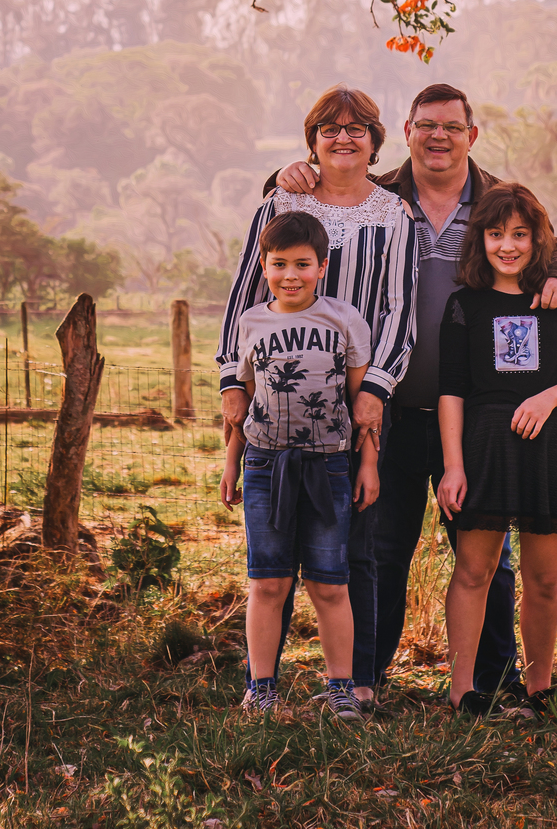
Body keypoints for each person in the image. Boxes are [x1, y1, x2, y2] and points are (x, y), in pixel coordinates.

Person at [270, 82, 557, 704]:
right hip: (383, 404)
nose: (438, 136)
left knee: (487, 556)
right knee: (381, 545)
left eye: (451, 126)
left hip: (474, 414)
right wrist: (280, 177)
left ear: (472, 136)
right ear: (406, 132)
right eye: (425, 125)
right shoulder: (377, 196)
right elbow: (297, 224)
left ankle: (491, 680)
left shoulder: (499, 202)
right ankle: (367, 675)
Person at [217, 85, 416, 705]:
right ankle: (264, 685)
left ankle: (354, 683)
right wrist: (231, 382)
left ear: (376, 142)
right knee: (270, 566)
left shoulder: (394, 214)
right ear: (312, 140)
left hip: (356, 396)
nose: (343, 137)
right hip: (274, 409)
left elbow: (398, 309)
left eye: (357, 128)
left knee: (354, 550)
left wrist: (376, 391)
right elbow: (246, 290)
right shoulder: (283, 198)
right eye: (330, 128)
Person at [436, 183, 557, 716]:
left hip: (550, 446)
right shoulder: (464, 304)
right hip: (485, 448)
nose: (507, 245)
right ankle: (463, 691)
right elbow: (452, 390)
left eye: (519, 235)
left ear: (539, 240)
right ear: (480, 240)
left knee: (543, 577)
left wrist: (548, 398)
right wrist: (453, 467)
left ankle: (539, 688)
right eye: (495, 234)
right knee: (473, 571)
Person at [220, 210, 380, 722]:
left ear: (323, 267)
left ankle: (341, 687)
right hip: (266, 464)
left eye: (303, 265)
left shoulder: (344, 320)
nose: (291, 275)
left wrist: (368, 463)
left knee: (330, 583)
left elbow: (364, 406)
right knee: (268, 581)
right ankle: (261, 687)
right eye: (279, 264)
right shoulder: (251, 323)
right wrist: (231, 464)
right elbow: (240, 403)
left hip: (329, 465)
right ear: (264, 267)